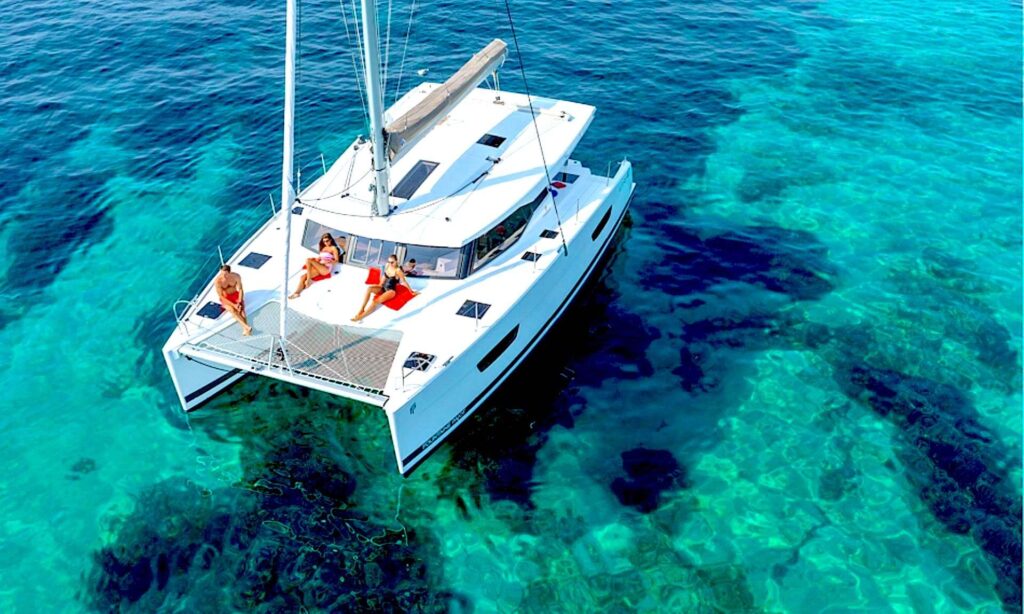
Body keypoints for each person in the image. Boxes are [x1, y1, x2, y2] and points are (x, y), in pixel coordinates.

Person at [352, 254, 419, 322]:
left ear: (396, 261)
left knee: (375, 301)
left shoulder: (398, 270)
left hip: (391, 291)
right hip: (383, 288)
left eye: (392, 262)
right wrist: (378, 286)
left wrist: (411, 292)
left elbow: (404, 282)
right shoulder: (387, 266)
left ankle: (360, 317)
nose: (390, 264)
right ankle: (362, 309)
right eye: (389, 262)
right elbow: (383, 279)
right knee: (369, 289)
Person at [289, 233, 342, 299]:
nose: (326, 242)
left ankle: (308, 280)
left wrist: (330, 261)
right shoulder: (324, 248)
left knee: (308, 260)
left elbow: (336, 260)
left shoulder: (333, 248)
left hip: (326, 268)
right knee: (302, 277)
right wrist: (319, 258)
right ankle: (296, 293)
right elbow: (321, 257)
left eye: (327, 240)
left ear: (331, 240)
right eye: (324, 241)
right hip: (320, 266)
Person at [215, 264, 252, 336]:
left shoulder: (236, 276)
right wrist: (234, 305)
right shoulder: (218, 281)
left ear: (229, 272)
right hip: (226, 299)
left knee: (241, 309)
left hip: (235, 295)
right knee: (232, 310)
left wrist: (239, 301)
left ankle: (246, 328)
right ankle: (246, 327)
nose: (223, 276)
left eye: (225, 274)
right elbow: (221, 296)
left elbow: (240, 289)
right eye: (222, 274)